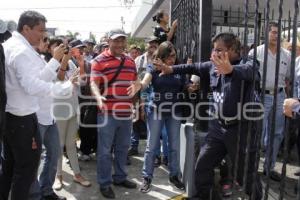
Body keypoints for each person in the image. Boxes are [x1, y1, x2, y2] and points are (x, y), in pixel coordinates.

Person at [149, 33, 262, 199]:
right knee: (202, 165)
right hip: (217, 128)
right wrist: (170, 69)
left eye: (219, 50)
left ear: (231, 50)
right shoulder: (212, 65)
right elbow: (192, 67)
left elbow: (252, 73)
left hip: (240, 129)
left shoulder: (247, 63)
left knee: (244, 174)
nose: (214, 53)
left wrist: (231, 70)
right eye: (214, 49)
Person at [0, 10, 73, 200]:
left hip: (15, 118)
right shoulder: (21, 50)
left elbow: (38, 78)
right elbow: (32, 86)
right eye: (41, 30)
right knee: (25, 172)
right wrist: (63, 89)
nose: (44, 35)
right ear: (26, 28)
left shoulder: (15, 46)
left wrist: (55, 61)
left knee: (10, 169)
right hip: (22, 120)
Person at [127, 41, 186, 193]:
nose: (172, 59)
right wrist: (140, 85)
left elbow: (184, 85)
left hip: (174, 111)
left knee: (174, 146)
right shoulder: (153, 66)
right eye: (169, 56)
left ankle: (174, 176)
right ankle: (147, 177)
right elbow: (146, 80)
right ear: (162, 55)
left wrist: (190, 86)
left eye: (174, 56)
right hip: (156, 110)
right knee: (151, 146)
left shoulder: (178, 68)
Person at [90, 28, 137, 199]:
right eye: (116, 40)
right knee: (104, 151)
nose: (119, 44)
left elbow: (136, 81)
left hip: (126, 113)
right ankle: (105, 183)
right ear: (108, 41)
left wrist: (137, 86)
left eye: (122, 40)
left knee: (123, 148)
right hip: (107, 113)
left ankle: (120, 177)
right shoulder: (99, 60)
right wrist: (98, 98)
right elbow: (93, 83)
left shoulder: (131, 61)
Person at [249, 21, 291, 182]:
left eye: (277, 33)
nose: (275, 35)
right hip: (261, 95)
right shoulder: (256, 53)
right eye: (272, 32)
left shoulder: (286, 55)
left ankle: (269, 167)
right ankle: (251, 168)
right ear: (265, 34)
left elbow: (288, 79)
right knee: (256, 133)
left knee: (277, 133)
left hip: (280, 95)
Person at [53, 39, 91, 190]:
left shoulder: (74, 64)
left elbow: (82, 83)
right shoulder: (51, 65)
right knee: (59, 145)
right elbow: (57, 83)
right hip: (59, 111)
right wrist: (71, 80)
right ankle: (58, 175)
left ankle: (76, 174)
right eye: (62, 47)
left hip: (73, 110)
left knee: (71, 145)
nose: (66, 50)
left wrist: (80, 65)